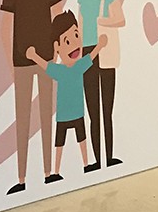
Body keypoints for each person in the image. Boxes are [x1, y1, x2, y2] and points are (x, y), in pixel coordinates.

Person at [0, 0, 62, 194]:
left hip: (48, 60)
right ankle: (22, 178)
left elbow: (58, 20)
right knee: (23, 119)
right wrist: (11, 65)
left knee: (47, 114)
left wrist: (56, 56)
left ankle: (49, 172)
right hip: (21, 63)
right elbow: (5, 28)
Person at [68, 0, 124, 171]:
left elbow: (121, 19)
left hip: (106, 50)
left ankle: (109, 157)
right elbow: (81, 23)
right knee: (93, 109)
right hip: (89, 52)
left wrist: (103, 21)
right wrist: (78, 52)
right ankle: (96, 160)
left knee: (107, 109)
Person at [25, 11, 104, 179]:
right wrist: (33, 56)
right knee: (59, 143)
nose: (74, 44)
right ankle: (56, 171)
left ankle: (86, 164)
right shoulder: (60, 70)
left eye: (76, 35)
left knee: (81, 139)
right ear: (57, 48)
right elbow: (46, 66)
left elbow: (91, 56)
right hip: (63, 115)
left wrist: (100, 46)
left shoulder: (79, 66)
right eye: (67, 41)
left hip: (78, 113)